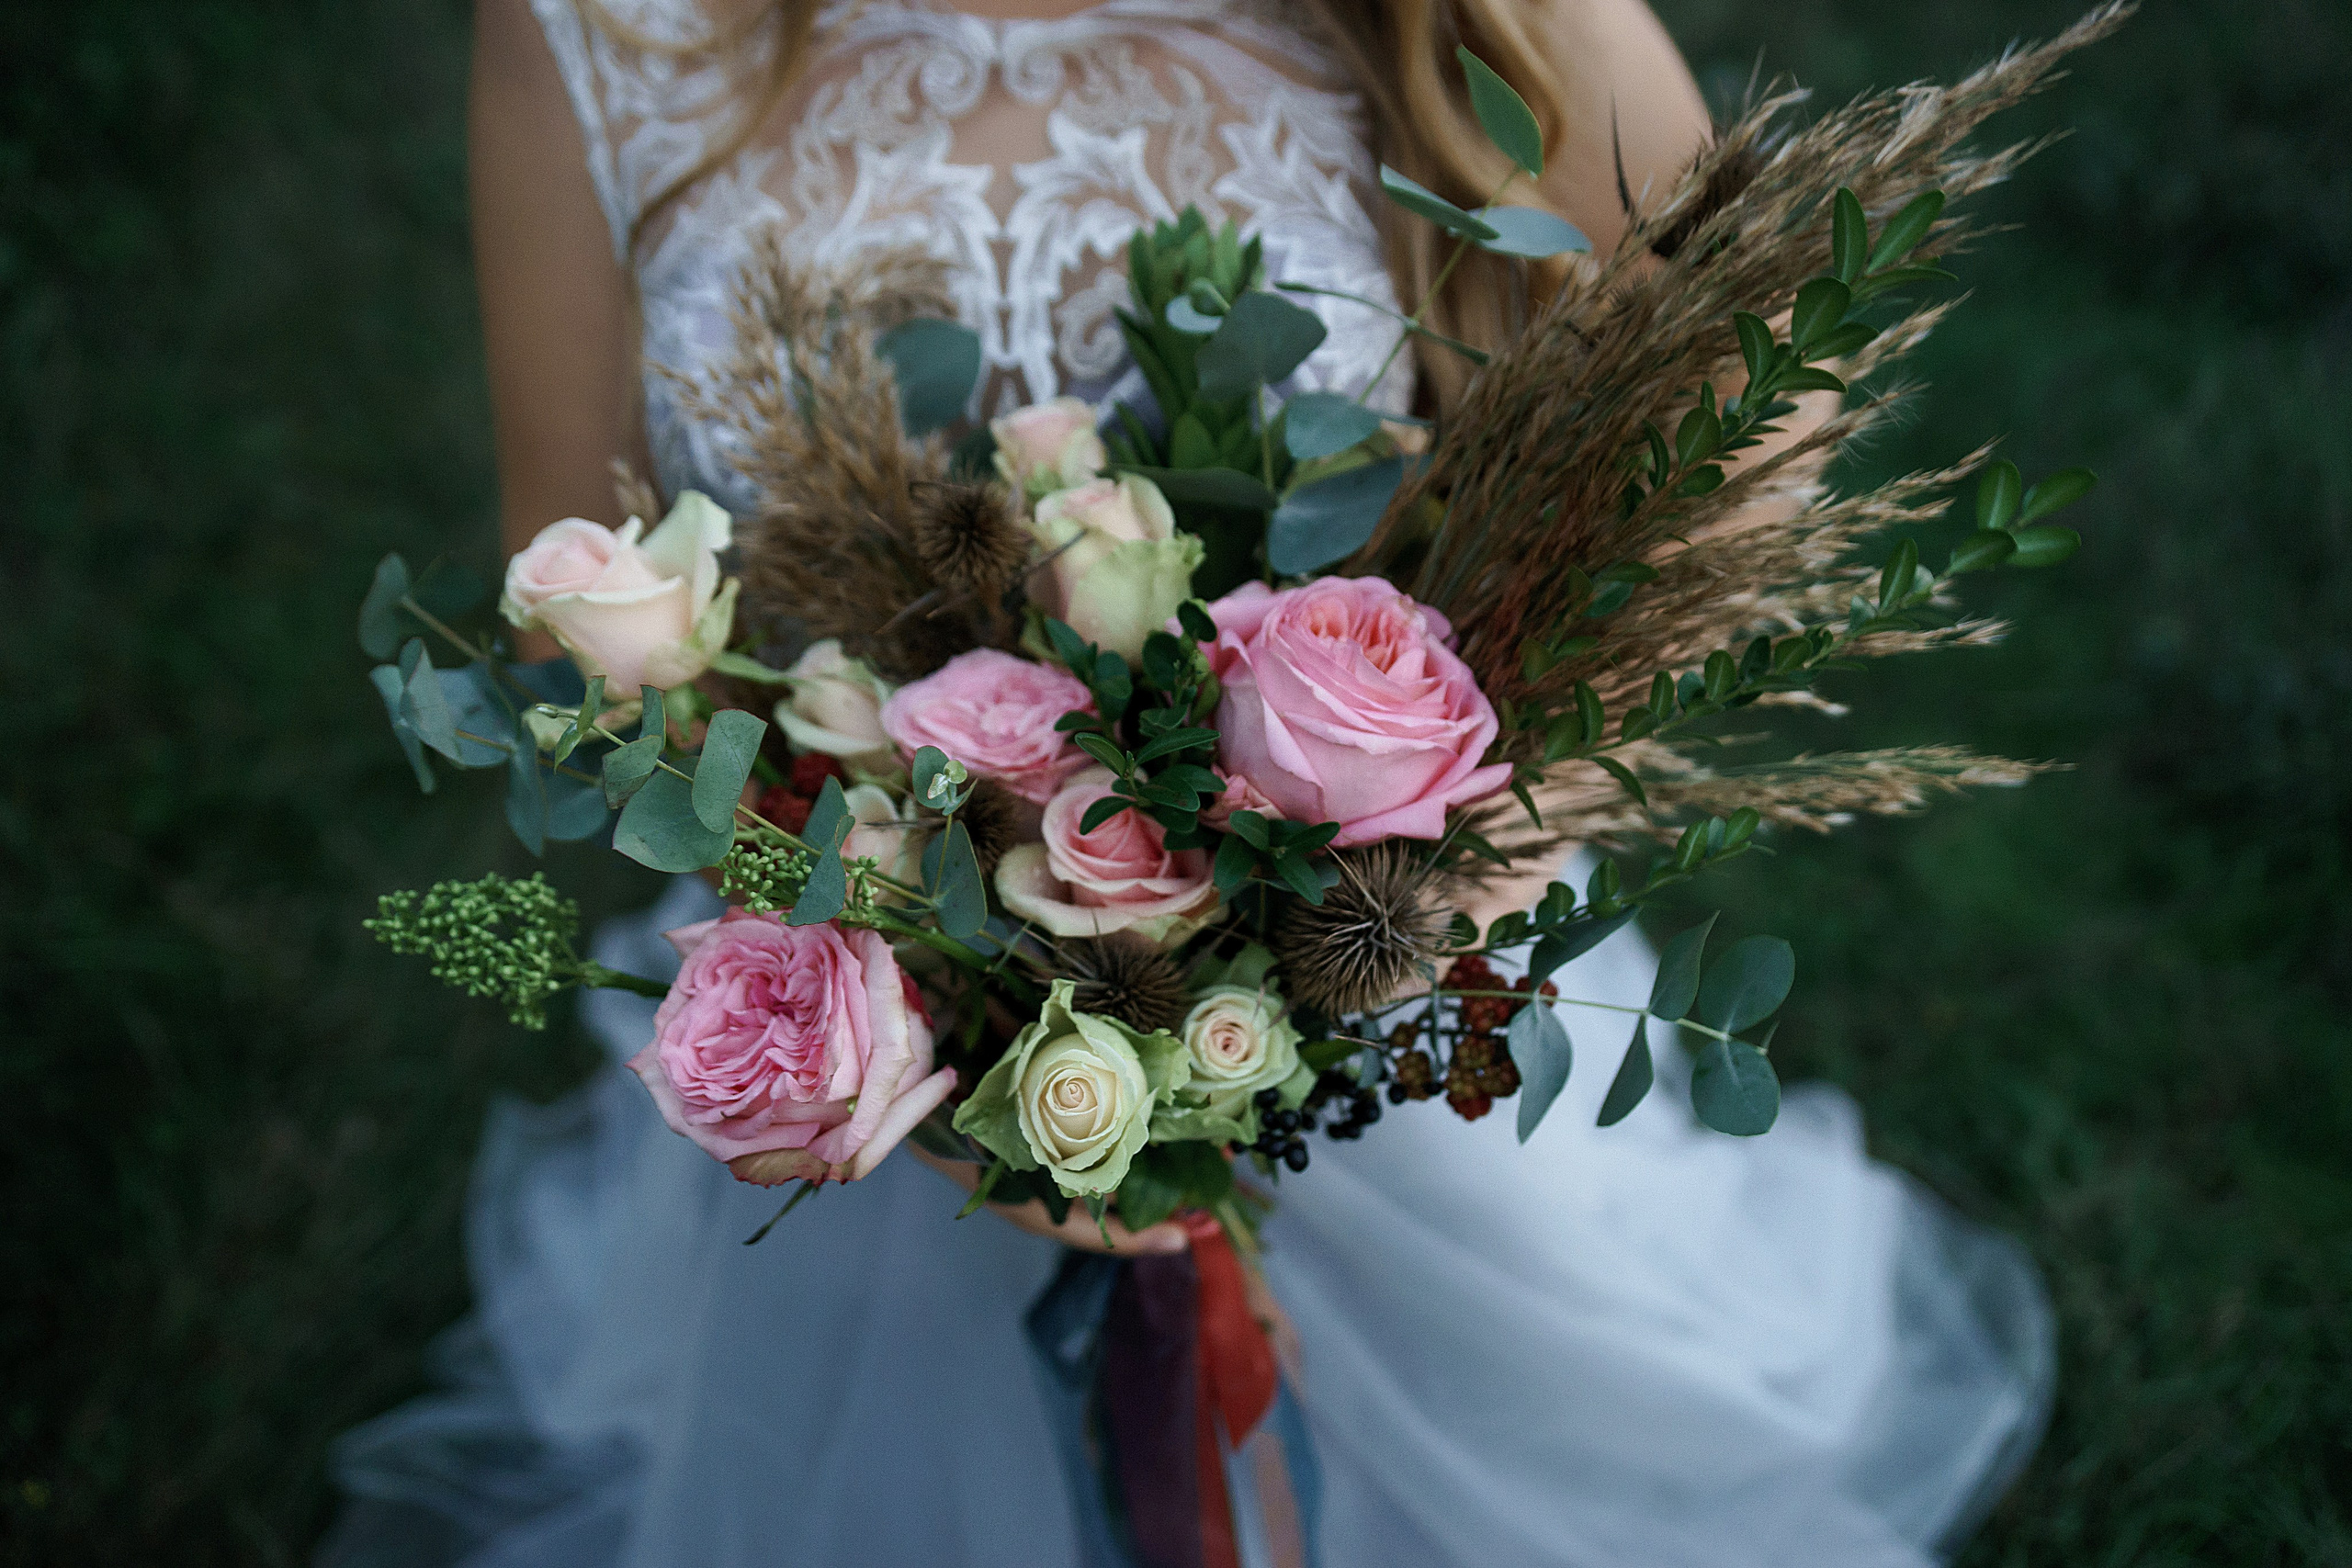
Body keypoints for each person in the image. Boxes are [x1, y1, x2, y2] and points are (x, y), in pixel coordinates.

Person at [322, 0, 2055, 1562]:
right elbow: (576, 596)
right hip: (878, 1011)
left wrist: (1390, 891)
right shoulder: (592, 34)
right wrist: (908, 998)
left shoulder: (1473, 19)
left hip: (1383, 992)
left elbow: (1743, 444)